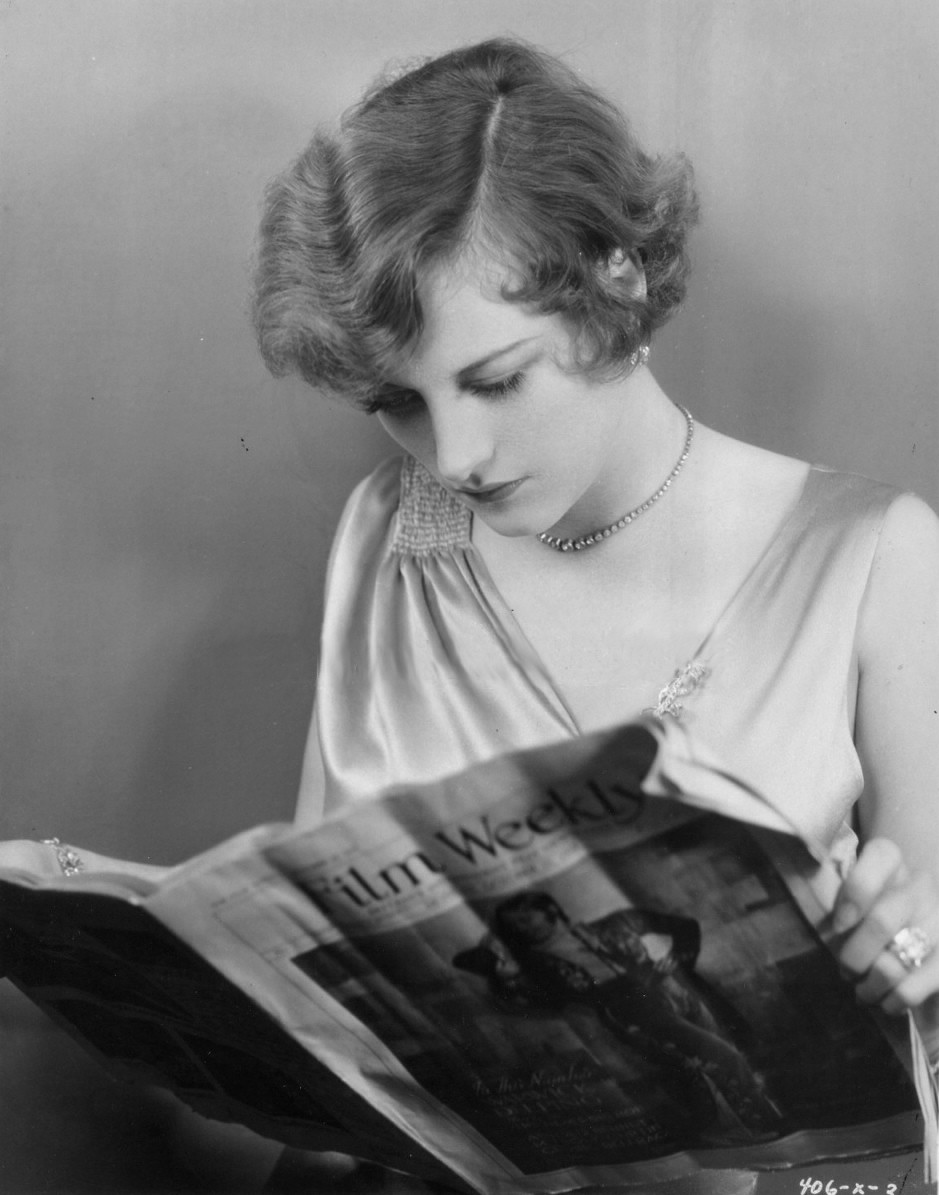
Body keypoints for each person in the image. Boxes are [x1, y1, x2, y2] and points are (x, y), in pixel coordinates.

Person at [4, 35, 939, 1195]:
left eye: (496, 381)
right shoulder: (395, 535)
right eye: (400, 401)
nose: (454, 456)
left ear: (619, 279)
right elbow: (330, 941)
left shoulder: (875, 555)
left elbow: (924, 986)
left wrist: (910, 955)